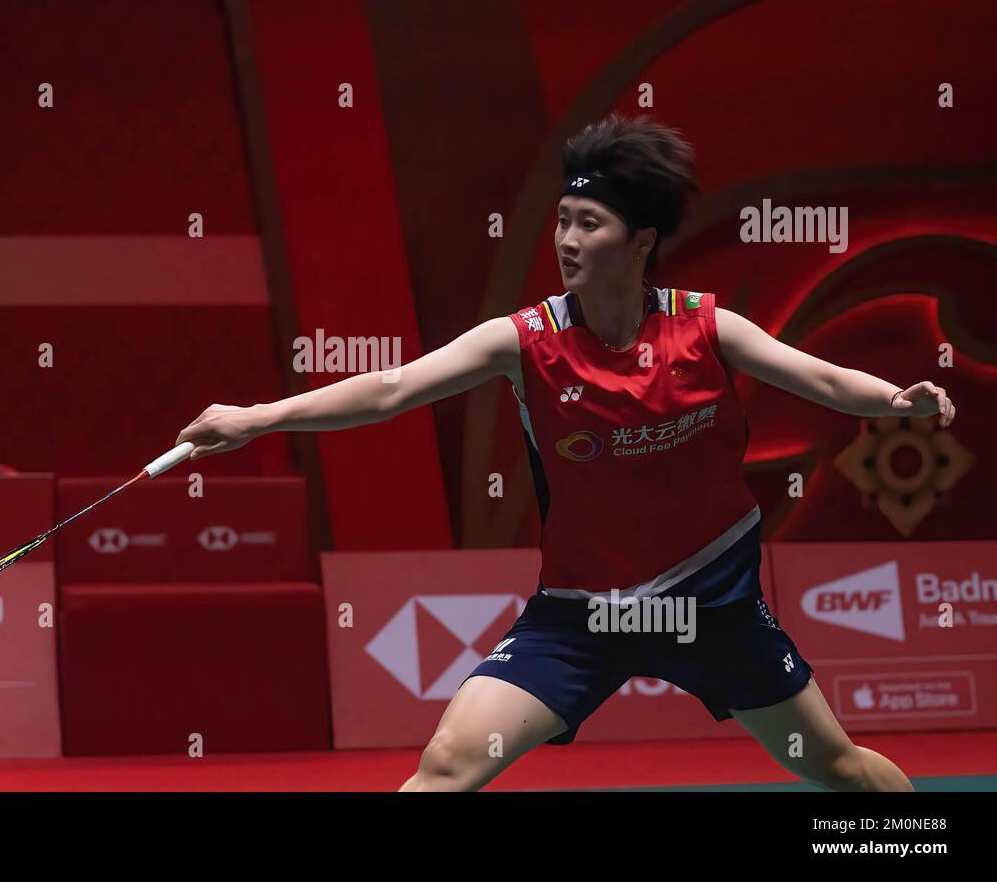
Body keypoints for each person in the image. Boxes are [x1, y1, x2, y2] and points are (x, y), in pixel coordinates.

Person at [176, 113, 956, 791]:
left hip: (712, 609)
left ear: (641, 240)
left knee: (841, 770)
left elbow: (814, 373)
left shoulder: (702, 326)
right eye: (563, 220)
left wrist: (891, 400)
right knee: (449, 763)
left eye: (591, 223)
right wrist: (257, 417)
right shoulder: (525, 342)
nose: (568, 240)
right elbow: (390, 389)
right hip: (582, 617)